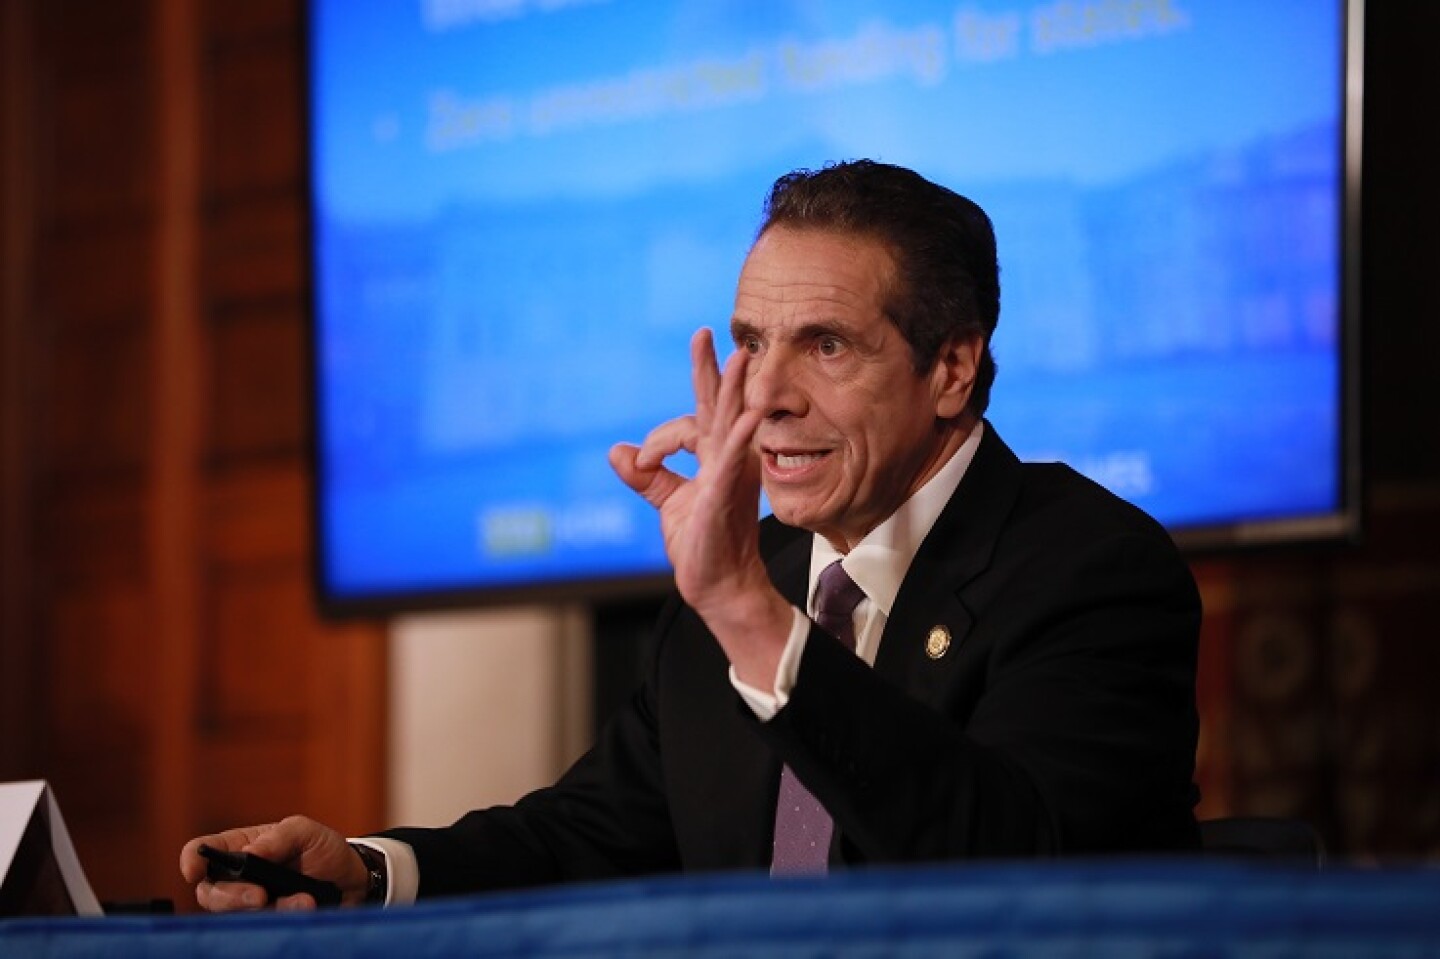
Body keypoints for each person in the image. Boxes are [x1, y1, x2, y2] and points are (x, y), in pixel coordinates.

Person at [181, 160, 1200, 910]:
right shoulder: (741, 585)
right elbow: (588, 833)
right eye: (752, 343)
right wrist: (365, 871)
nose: (768, 398)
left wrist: (750, 615)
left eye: (827, 346)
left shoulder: (1092, 568)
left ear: (951, 370)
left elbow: (1017, 865)